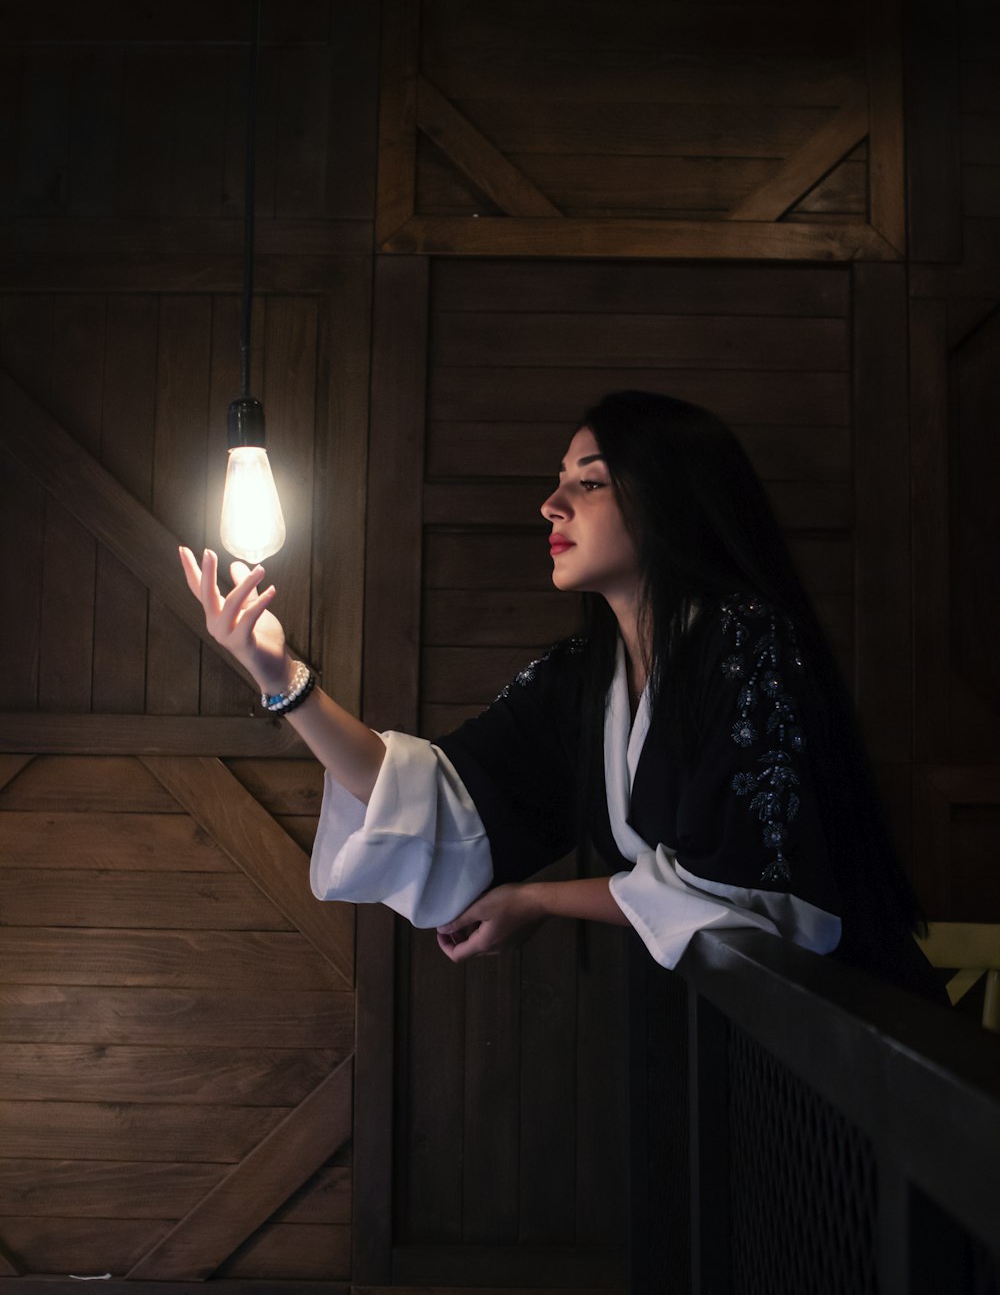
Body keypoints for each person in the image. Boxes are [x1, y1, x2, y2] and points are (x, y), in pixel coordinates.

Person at [179, 390, 941, 1000]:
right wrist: (282, 678)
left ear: (670, 500)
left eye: (590, 480)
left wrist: (542, 901)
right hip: (752, 1044)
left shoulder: (746, 643)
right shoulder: (585, 675)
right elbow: (433, 798)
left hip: (861, 1028)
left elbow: (739, 889)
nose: (553, 503)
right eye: (560, 480)